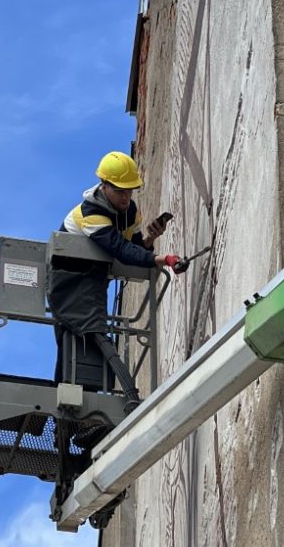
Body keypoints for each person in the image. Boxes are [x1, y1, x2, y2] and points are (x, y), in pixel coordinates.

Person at [47, 151, 184, 415]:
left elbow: (131, 249)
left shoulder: (129, 212)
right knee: (74, 344)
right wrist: (163, 259)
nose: (126, 197)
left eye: (130, 191)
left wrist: (148, 241)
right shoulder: (90, 214)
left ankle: (85, 413)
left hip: (93, 285)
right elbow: (120, 250)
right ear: (105, 186)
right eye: (121, 191)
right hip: (67, 286)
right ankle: (63, 413)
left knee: (93, 344)